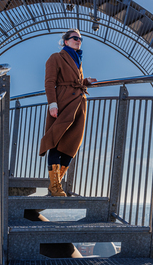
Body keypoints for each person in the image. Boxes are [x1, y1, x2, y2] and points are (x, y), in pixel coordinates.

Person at [39, 29, 97, 197]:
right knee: (57, 142)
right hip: (63, 104)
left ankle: (55, 186)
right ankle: (55, 186)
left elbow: (74, 81)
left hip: (78, 105)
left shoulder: (78, 60)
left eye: (80, 39)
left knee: (72, 145)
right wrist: (52, 104)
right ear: (66, 41)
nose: (78, 40)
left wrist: (85, 81)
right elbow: (50, 82)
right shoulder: (56, 58)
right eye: (75, 38)